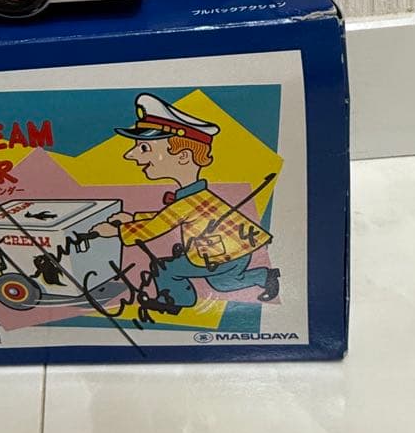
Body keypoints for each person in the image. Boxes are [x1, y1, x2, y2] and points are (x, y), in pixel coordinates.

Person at [91, 92, 279, 310]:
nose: (130, 155)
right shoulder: (192, 198)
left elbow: (156, 227)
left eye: (144, 148)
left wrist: (117, 231)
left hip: (221, 253)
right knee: (222, 283)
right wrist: (132, 219)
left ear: (183, 156)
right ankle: (264, 276)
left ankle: (175, 301)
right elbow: (167, 218)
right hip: (233, 253)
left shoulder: (190, 201)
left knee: (166, 268)